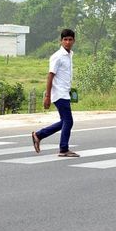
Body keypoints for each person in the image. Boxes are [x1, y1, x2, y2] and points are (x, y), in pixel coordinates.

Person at [31, 29, 80, 157]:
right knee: (68, 121)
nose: (68, 42)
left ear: (74, 41)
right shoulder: (57, 56)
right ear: (61, 41)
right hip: (59, 93)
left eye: (70, 39)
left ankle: (39, 135)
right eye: (65, 39)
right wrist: (47, 96)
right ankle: (63, 149)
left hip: (65, 92)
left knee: (64, 121)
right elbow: (50, 76)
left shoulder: (69, 54)